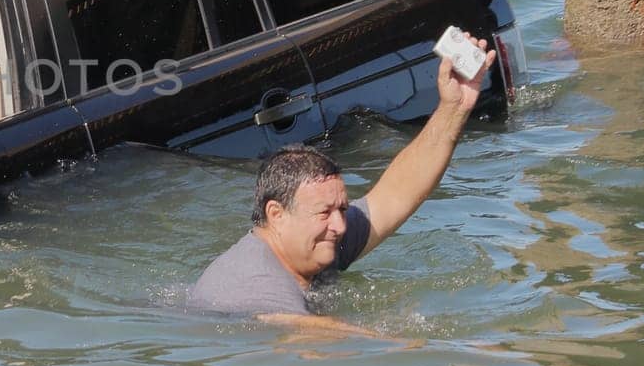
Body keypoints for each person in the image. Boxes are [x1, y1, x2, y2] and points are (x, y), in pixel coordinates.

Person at [188, 31, 497, 331]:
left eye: (342, 209)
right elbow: (313, 335)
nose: (340, 226)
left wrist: (454, 108)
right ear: (276, 215)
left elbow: (395, 194)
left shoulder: (311, 241)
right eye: (324, 213)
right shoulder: (256, 288)